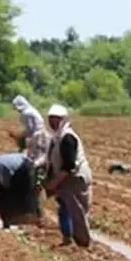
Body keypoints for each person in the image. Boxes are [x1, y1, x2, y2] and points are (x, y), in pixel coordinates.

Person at [44, 103, 93, 247]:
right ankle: (68, 237)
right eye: (51, 119)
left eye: (57, 119)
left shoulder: (67, 138)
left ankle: (83, 242)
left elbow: (69, 166)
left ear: (64, 120)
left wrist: (54, 183)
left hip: (74, 179)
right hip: (65, 178)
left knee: (77, 211)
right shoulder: (56, 137)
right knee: (64, 208)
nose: (53, 122)